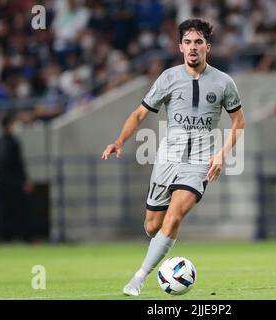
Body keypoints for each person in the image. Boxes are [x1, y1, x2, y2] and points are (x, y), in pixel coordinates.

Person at [101, 18, 245, 296]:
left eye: (199, 42)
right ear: (180, 47)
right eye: (188, 42)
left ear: (208, 47)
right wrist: (119, 141)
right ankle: (163, 250)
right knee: (153, 225)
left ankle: (138, 279)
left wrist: (222, 155)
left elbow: (239, 122)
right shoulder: (168, 78)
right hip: (167, 159)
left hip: (199, 162)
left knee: (175, 216)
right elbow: (139, 113)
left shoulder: (224, 82)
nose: (193, 47)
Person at [0, 112, 33, 242]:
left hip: (2, 182)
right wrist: (25, 180)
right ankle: (24, 237)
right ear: (9, 125)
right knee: (19, 210)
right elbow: (18, 163)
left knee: (5, 211)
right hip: (14, 182)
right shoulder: (13, 142)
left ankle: (6, 237)